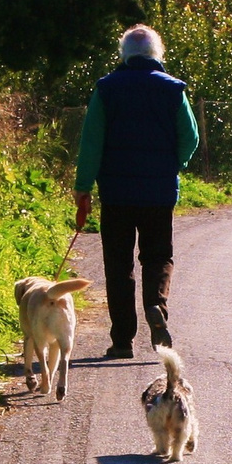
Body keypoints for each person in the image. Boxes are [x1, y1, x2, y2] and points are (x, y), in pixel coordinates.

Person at [73, 24, 199, 359]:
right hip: (158, 192)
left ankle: (121, 340)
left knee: (118, 264)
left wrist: (82, 187)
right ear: (157, 54)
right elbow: (191, 137)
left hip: (115, 193)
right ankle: (156, 306)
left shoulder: (107, 89)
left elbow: (91, 143)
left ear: (124, 54)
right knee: (158, 257)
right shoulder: (173, 90)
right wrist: (174, 164)